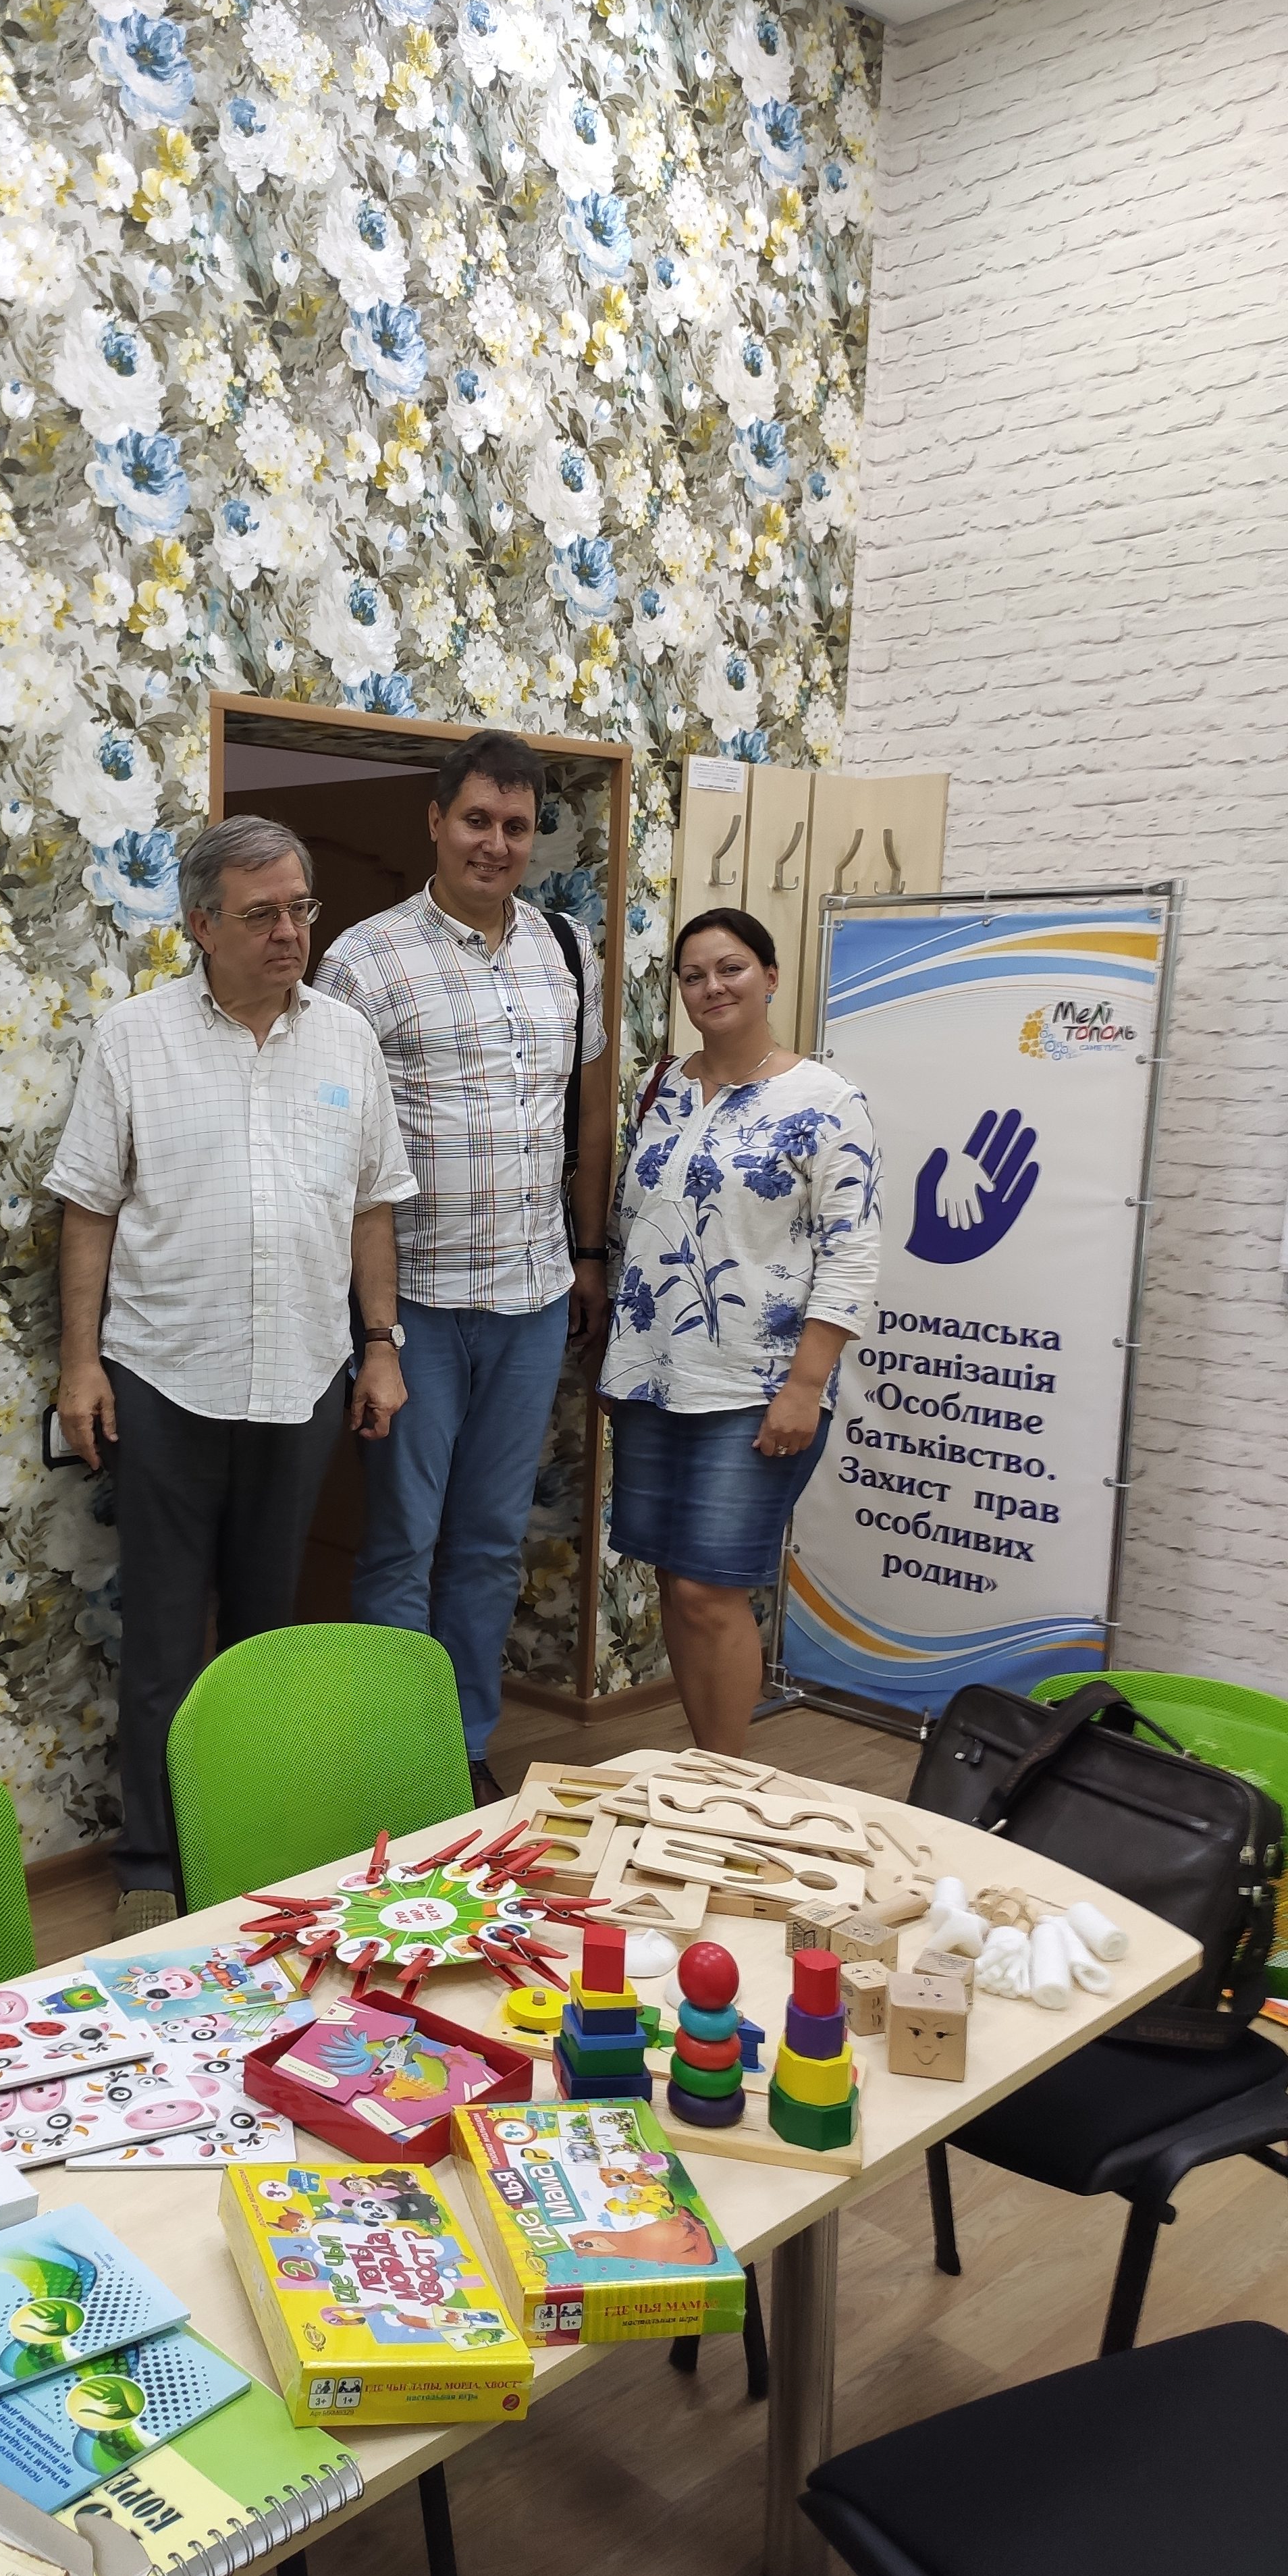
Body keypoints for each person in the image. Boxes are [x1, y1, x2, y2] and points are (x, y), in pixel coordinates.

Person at [49, 816, 418, 1937]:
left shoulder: (346, 1040)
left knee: (269, 1637)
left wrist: (382, 1343)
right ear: (201, 925)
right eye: (262, 915)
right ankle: (153, 1865)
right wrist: (79, 1365)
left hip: (303, 1378)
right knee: (165, 1640)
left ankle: (251, 1845)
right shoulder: (133, 1038)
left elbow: (371, 1205)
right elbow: (88, 1210)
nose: (289, 933)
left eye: (301, 908)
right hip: (165, 1376)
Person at [317, 732, 613, 1802]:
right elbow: (334, 1144)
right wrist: (370, 1325)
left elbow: (587, 1120)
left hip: (532, 1298)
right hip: (417, 1308)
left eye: (517, 827)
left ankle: (461, 1748)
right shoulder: (362, 960)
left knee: (489, 1542)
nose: (497, 843)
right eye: (478, 820)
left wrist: (588, 1255)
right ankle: (393, 1764)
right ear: (436, 822)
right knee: (403, 1542)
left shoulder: (569, 951)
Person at [600, 906, 881, 1753]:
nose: (711, 987)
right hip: (653, 1376)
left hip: (760, 1385)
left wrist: (806, 1387)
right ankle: (701, 1768)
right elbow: (635, 1224)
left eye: (731, 968)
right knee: (674, 1583)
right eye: (693, 975)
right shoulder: (662, 1087)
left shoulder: (826, 1100)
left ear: (770, 976)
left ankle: (724, 1780)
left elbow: (852, 1252)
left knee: (710, 1588)